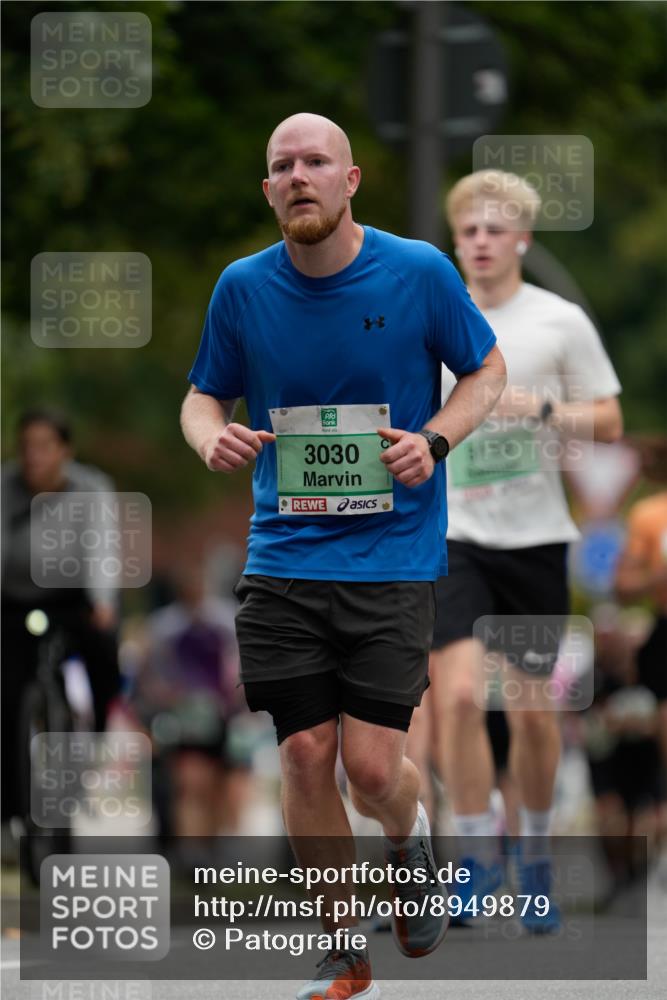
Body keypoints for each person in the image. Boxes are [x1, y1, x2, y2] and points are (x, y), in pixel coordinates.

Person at [181, 113, 506, 999]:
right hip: (283, 558)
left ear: (349, 179)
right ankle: (342, 948)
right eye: (282, 165)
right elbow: (204, 395)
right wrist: (209, 437)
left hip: (391, 559)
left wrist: (434, 441)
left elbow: (486, 372)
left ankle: (409, 838)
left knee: (369, 771)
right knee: (300, 753)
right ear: (268, 190)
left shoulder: (417, 272)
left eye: (315, 162)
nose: (299, 176)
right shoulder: (242, 287)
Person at [428, 169, 623, 932]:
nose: (480, 241)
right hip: (455, 534)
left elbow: (609, 420)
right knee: (457, 697)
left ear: (521, 239)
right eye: (468, 230)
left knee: (532, 713)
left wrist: (536, 407)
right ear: (455, 241)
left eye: (494, 229)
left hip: (536, 537)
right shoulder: (433, 316)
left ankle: (533, 853)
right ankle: (476, 854)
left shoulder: (557, 320)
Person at [1, 408, 121, 826]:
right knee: (8, 695)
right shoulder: (5, 487)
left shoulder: (92, 487)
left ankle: (94, 742)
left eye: (44, 446)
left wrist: (103, 601)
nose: (34, 456)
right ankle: (11, 811)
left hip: (74, 600)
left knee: (104, 657)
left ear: (65, 450)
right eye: (26, 446)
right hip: (14, 601)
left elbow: (102, 547)